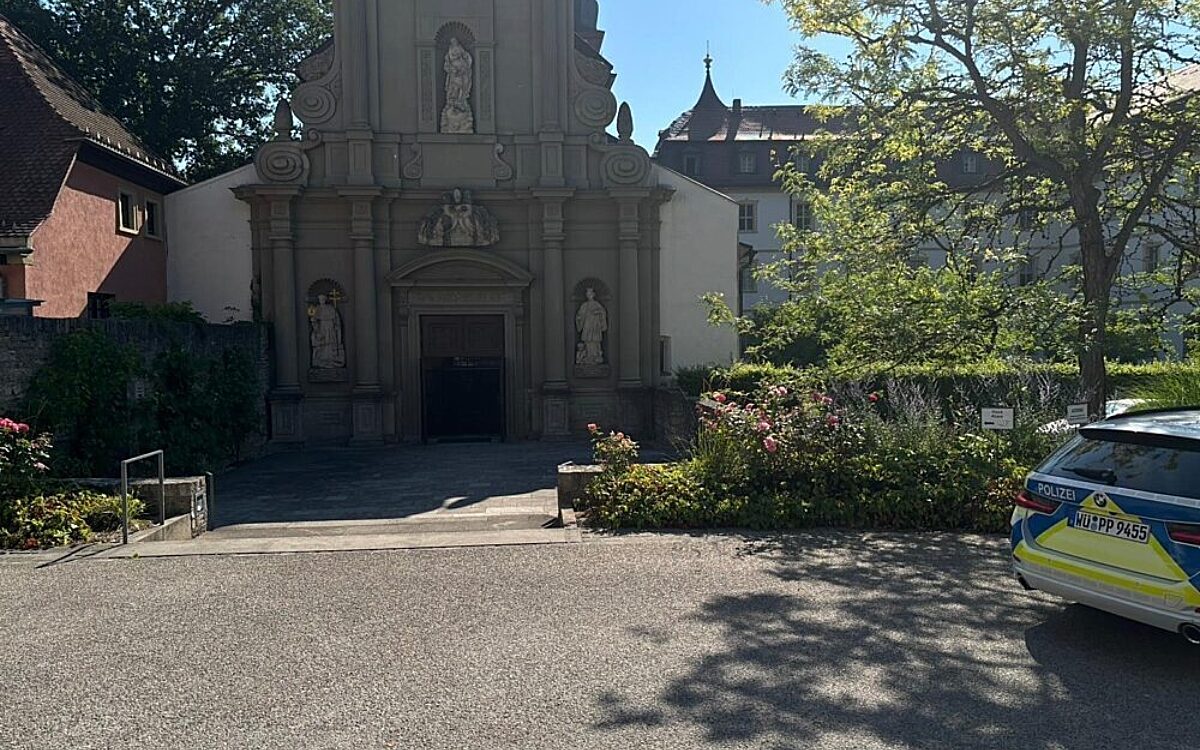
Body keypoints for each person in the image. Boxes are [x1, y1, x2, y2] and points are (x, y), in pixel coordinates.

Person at [575, 288, 608, 365]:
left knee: (595, 341)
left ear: (593, 295)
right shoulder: (584, 305)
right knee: (587, 341)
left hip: (595, 326)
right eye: (587, 294)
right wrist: (579, 318)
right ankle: (588, 356)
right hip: (587, 325)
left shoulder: (597, 304)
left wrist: (598, 313)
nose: (589, 295)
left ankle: (596, 356)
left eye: (590, 294)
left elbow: (602, 313)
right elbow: (579, 315)